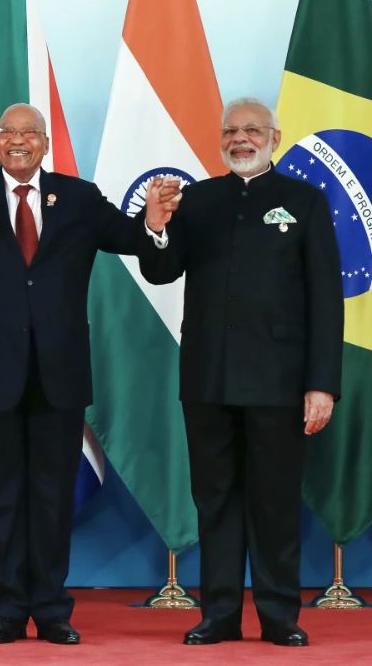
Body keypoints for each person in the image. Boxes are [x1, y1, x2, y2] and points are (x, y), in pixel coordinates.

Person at [0, 103, 180, 645]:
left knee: (50, 496)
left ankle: (52, 609)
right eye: (8, 133)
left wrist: (153, 225)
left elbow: (133, 239)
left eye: (29, 133)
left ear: (45, 142)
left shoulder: (80, 198)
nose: (18, 141)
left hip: (59, 376)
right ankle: (8, 610)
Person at [137, 98, 343, 648]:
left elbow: (327, 300)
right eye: (231, 131)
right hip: (207, 380)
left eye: (252, 129)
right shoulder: (197, 200)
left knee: (274, 501)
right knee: (216, 500)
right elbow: (160, 272)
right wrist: (155, 228)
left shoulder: (305, 200)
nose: (241, 139)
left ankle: (280, 616)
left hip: (279, 383)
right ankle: (220, 614)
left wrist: (321, 383)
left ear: (274, 135)